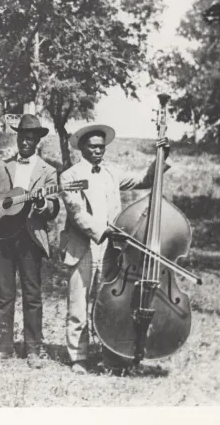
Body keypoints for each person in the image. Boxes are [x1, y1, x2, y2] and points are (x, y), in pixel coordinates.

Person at [59, 123, 170, 375]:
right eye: (93, 147)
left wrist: (161, 157)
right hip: (82, 248)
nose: (98, 151)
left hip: (111, 250)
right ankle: (78, 357)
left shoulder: (111, 173)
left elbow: (145, 180)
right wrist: (104, 230)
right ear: (82, 148)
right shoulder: (70, 176)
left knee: (108, 302)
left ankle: (109, 352)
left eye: (101, 147)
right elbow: (76, 213)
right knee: (78, 305)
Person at [0, 114, 60, 369]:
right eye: (22, 136)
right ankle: (5, 346)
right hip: (1, 237)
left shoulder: (48, 171)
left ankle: (33, 349)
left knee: (32, 294)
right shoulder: (2, 166)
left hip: (30, 237)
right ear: (17, 137)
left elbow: (53, 207)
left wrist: (42, 202)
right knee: (4, 293)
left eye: (31, 138)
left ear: (37, 141)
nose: (26, 142)